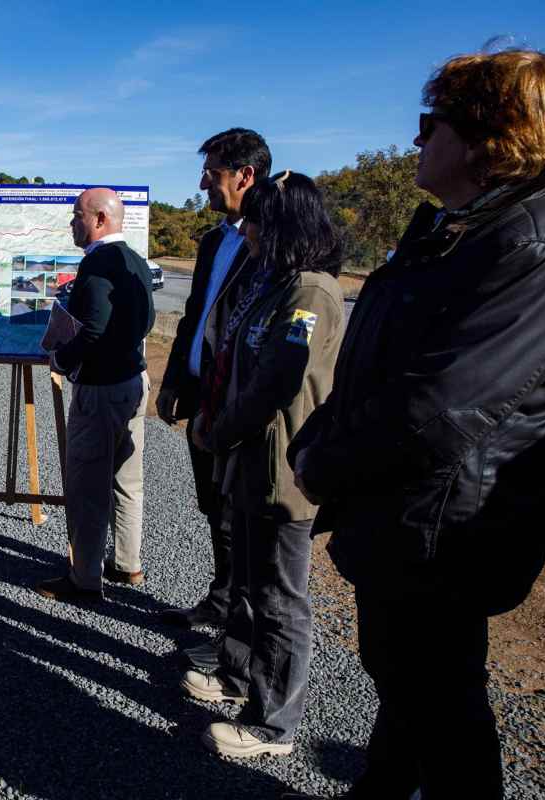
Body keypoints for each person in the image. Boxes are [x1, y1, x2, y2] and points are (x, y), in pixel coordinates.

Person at [284, 49, 545, 800]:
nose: (417, 141)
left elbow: (441, 408)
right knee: (406, 683)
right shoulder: (461, 228)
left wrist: (320, 458)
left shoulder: (538, 246)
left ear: (493, 134)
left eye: (432, 124)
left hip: (445, 529)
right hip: (409, 515)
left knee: (441, 703)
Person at [177, 171, 344, 759]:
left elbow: (279, 379)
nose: (245, 229)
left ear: (284, 224)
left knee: (279, 597)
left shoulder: (311, 293)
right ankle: (237, 674)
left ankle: (274, 723)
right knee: (247, 584)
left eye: (257, 220)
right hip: (247, 460)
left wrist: (219, 428)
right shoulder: (275, 284)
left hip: (279, 468)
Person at [156, 128, 270, 629]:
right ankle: (221, 599)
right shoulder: (214, 241)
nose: (203, 182)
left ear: (246, 175)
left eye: (213, 173)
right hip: (202, 391)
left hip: (238, 400)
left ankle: (239, 626)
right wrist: (174, 381)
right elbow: (193, 317)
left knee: (238, 515)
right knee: (211, 506)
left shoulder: (271, 242)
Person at [35, 188, 154, 601]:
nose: (72, 223)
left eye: (76, 215)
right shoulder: (135, 260)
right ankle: (126, 564)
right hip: (130, 383)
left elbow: (95, 326)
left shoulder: (101, 262)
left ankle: (85, 580)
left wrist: (63, 360)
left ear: (100, 219)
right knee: (127, 480)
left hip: (101, 389)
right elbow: (146, 320)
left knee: (88, 487)